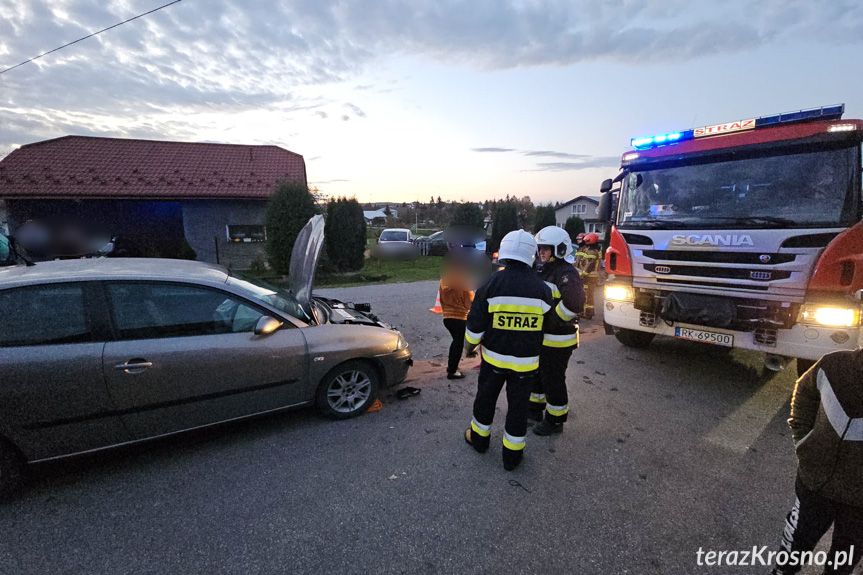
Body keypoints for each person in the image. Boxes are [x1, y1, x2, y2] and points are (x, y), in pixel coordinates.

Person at [463, 230, 553, 471]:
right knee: (518, 409)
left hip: (493, 362)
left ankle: (479, 441)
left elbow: (475, 324)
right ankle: (512, 458)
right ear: (530, 255)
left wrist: (469, 348)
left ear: (504, 254)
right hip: (526, 364)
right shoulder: (543, 289)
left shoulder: (491, 284)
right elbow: (548, 324)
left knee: (485, 400)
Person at [768, 349, 863, 575]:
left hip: (860, 502)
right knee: (793, 549)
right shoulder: (834, 364)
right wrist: (803, 438)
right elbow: (805, 391)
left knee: (843, 562)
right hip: (814, 483)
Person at [529, 226, 585, 436]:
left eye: (546, 249)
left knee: (553, 380)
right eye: (540, 248)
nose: (541, 252)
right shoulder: (541, 268)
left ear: (559, 249)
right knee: (537, 376)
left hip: (558, 339)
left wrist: (552, 320)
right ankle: (534, 409)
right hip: (542, 337)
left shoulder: (566, 273)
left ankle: (555, 420)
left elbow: (575, 303)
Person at [439, 261, 474, 379]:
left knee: (456, 342)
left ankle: (452, 366)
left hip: (447, 316)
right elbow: (469, 301)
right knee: (458, 344)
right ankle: (452, 370)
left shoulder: (444, 280)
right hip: (460, 317)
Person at [574, 232, 602, 319]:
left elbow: (589, 265)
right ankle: (586, 312)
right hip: (589, 276)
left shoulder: (592, 251)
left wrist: (583, 275)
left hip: (590, 277)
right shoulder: (591, 250)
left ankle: (588, 313)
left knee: (588, 294)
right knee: (587, 294)